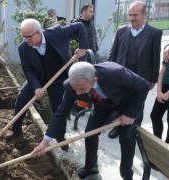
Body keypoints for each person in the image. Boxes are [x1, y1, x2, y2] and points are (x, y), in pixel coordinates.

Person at [32, 61, 149, 179]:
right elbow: (60, 114)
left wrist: (130, 114)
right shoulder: (69, 86)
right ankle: (91, 168)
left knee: (126, 137)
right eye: (75, 88)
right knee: (90, 132)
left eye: (82, 89)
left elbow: (144, 85)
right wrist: (44, 142)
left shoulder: (115, 73)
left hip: (129, 103)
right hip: (103, 105)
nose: (77, 92)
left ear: (94, 80)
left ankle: (127, 174)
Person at [5, 18, 88, 143]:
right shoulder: (23, 48)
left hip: (58, 77)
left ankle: (60, 136)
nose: (26, 40)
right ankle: (16, 129)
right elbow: (28, 70)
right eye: (24, 36)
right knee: (22, 96)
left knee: (59, 106)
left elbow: (79, 26)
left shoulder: (57, 32)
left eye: (29, 37)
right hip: (38, 78)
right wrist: (36, 87)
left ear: (38, 33)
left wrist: (83, 47)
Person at [108, 0, 162, 139]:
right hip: (121, 76)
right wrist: (110, 73)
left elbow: (155, 57)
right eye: (130, 15)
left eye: (135, 15)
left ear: (144, 14)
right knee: (119, 102)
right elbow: (113, 54)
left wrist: (153, 79)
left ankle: (133, 129)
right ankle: (117, 127)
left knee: (137, 104)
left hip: (141, 77)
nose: (132, 18)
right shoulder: (121, 31)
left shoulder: (155, 33)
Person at [70, 4, 99, 116]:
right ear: (83, 12)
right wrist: (75, 57)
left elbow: (94, 37)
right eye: (90, 11)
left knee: (91, 80)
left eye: (93, 11)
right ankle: (78, 106)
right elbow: (72, 42)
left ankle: (88, 103)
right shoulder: (76, 24)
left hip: (92, 54)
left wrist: (96, 50)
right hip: (81, 57)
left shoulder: (91, 22)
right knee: (80, 81)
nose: (93, 13)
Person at [150, 44, 169, 143]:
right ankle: (158, 142)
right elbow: (162, 73)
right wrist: (159, 92)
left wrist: (166, 95)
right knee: (155, 115)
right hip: (164, 86)